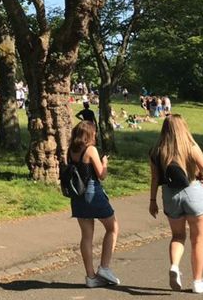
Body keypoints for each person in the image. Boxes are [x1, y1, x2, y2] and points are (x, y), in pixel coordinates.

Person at [148, 114, 203, 293]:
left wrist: (152, 201)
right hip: (193, 191)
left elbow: (154, 178)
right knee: (198, 240)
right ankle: (197, 282)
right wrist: (200, 173)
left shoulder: (156, 150)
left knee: (177, 236)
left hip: (169, 195)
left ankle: (175, 266)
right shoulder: (189, 146)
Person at [67, 121, 120, 288]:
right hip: (92, 192)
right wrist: (105, 163)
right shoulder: (90, 150)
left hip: (77, 196)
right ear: (89, 134)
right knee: (112, 227)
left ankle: (90, 277)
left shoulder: (71, 151)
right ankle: (104, 267)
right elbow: (101, 175)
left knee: (87, 236)